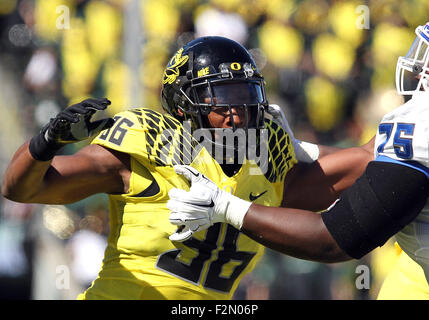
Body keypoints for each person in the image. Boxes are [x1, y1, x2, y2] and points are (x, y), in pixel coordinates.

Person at [2, 36, 372, 300]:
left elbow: (368, 161)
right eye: (221, 99)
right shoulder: (150, 146)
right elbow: (21, 189)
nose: (236, 115)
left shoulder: (268, 160)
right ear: (184, 106)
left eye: (245, 98)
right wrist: (46, 142)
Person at [166, 23, 429, 300]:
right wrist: (303, 150)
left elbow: (335, 240)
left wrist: (226, 206)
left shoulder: (420, 127)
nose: (420, 69)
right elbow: (368, 156)